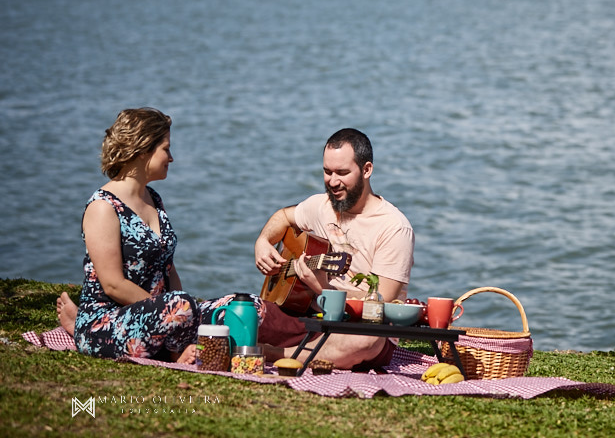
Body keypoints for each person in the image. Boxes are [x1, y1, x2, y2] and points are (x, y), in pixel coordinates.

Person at [57, 108, 266, 362]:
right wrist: (177, 312)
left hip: (164, 314)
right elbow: (113, 284)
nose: (172, 157)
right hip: (109, 322)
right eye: (166, 149)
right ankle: (175, 351)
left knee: (247, 306)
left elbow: (169, 269)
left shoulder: (153, 199)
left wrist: (180, 314)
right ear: (144, 149)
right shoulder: (103, 207)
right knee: (182, 306)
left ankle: (188, 343)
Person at [255, 128, 415, 369]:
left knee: (365, 341)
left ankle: (276, 355)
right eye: (327, 172)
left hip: (358, 328)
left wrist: (323, 288)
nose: (332, 181)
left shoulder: (394, 228)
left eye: (342, 173)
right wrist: (263, 242)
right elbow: (284, 217)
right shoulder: (321, 205)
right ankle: (298, 352)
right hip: (308, 319)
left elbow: (381, 303)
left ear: (367, 170)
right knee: (238, 310)